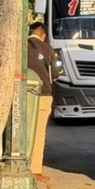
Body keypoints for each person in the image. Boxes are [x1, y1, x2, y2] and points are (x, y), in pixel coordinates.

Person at [27, 21, 62, 177]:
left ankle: (23, 162)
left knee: (25, 129)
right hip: (43, 94)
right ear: (44, 35)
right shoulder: (47, 48)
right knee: (39, 132)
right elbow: (54, 74)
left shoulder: (21, 47)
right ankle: (35, 168)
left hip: (24, 94)